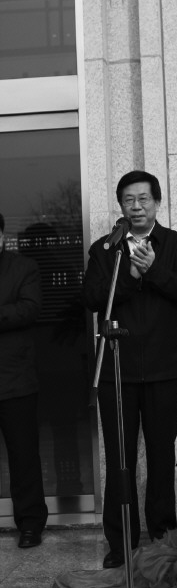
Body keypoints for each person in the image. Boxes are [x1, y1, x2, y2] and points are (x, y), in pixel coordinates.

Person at [82, 170, 177, 568]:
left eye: (143, 199)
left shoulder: (176, 244)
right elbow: (92, 298)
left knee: (161, 456)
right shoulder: (106, 249)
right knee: (120, 458)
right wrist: (131, 276)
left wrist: (154, 270)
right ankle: (121, 543)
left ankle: (164, 537)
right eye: (129, 200)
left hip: (165, 369)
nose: (136, 207)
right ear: (121, 205)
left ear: (157, 203)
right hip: (117, 370)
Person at [0, 213, 48, 548]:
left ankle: (30, 524)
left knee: (24, 457)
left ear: (2, 235)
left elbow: (29, 309)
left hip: (15, 380)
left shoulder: (24, 267)